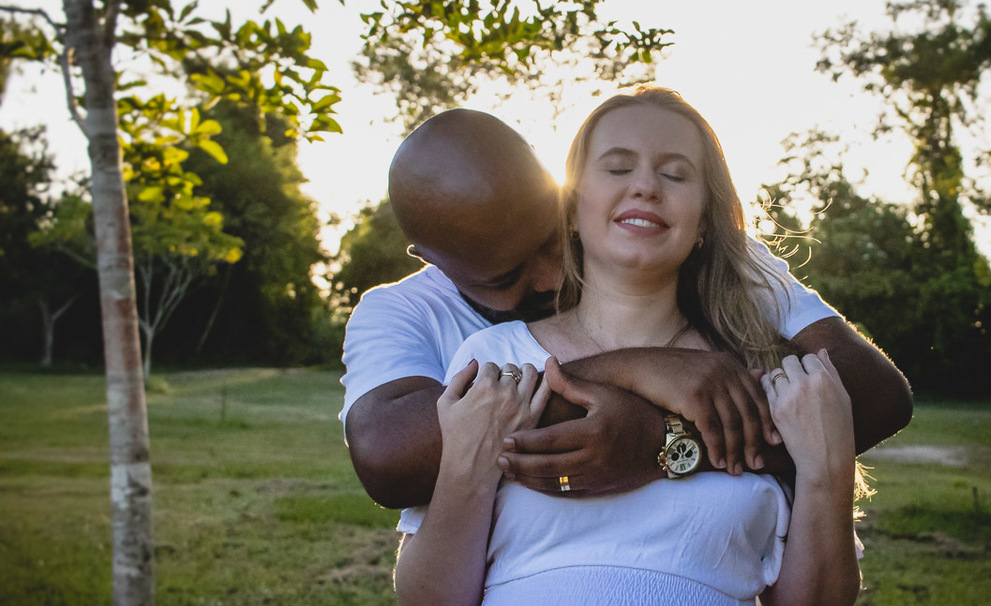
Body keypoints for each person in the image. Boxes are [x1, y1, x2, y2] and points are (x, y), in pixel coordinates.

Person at [393, 86, 863, 606]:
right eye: (617, 167)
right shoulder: (492, 362)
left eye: (676, 173)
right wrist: (464, 469)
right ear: (571, 209)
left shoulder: (771, 379)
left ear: (704, 221)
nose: (646, 186)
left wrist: (829, 468)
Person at [340, 111, 911, 511]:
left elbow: (875, 394)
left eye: (550, 240)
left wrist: (661, 444)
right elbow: (389, 458)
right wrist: (635, 370)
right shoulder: (401, 312)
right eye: (506, 277)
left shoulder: (686, 248)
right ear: (430, 258)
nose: (553, 276)